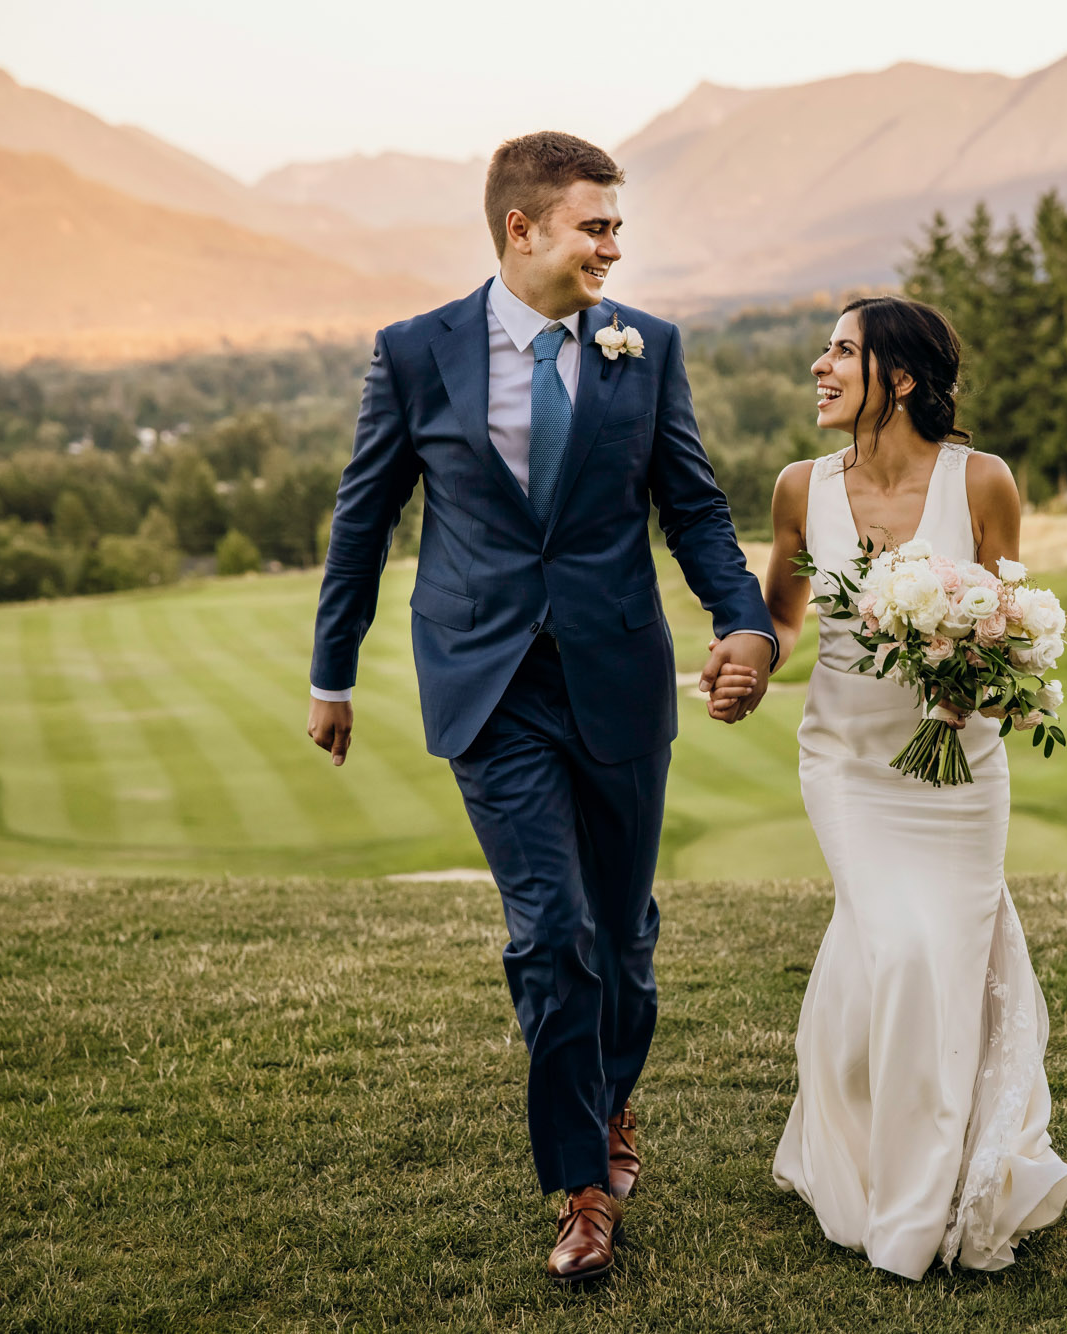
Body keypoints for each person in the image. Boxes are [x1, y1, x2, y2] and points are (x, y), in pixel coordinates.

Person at [305, 131, 777, 1285]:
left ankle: (613, 1099)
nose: (615, 246)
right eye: (595, 226)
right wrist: (333, 671)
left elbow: (696, 508)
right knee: (551, 933)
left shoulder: (644, 348)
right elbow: (363, 520)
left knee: (622, 939)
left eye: (617, 226)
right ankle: (580, 1187)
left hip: (617, 675)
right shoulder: (415, 354)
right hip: (488, 683)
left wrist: (747, 620)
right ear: (522, 230)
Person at [709, 297, 1067, 1279]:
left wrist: (973, 680)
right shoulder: (799, 488)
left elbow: (1009, 619)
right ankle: (906, 1202)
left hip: (960, 773)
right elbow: (782, 617)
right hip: (846, 764)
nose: (818, 366)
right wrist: (749, 662)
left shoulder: (982, 481)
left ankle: (934, 1171)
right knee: (901, 945)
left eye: (841, 350)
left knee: (928, 957)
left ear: (901, 378)